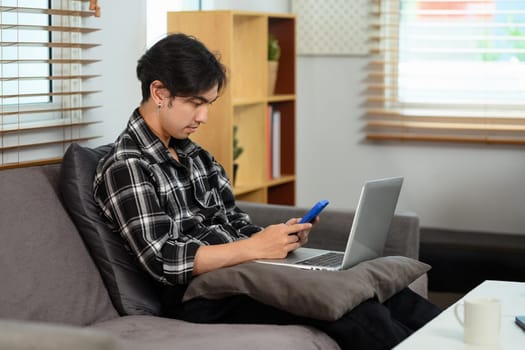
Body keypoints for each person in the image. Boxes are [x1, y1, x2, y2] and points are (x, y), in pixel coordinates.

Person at [93, 33, 440, 350]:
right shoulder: (127, 165)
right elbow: (164, 259)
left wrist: (277, 239)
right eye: (196, 102)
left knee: (386, 292)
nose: (204, 116)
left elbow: (235, 223)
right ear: (159, 92)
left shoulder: (197, 156)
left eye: (209, 103)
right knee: (354, 311)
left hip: (245, 273)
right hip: (200, 296)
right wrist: (254, 247)